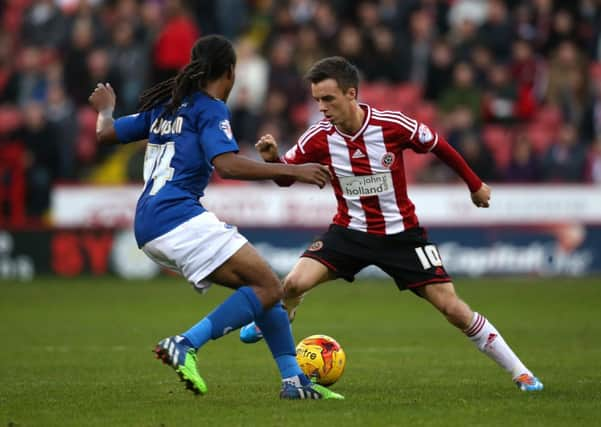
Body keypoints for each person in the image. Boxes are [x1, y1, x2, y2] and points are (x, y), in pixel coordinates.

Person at [240, 56, 543, 392]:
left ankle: (521, 372)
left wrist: (474, 184)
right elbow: (286, 177)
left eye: (329, 99)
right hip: (349, 232)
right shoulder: (318, 137)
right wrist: (272, 161)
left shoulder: (392, 125)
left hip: (402, 236)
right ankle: (288, 311)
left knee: (452, 308)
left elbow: (439, 146)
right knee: (292, 284)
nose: (322, 108)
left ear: (351, 93)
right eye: (317, 101)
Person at [88, 35, 343, 400]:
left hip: (149, 224)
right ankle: (186, 344)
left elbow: (106, 133)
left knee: (262, 287)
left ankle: (294, 382)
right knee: (269, 288)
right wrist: (296, 170)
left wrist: (106, 108)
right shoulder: (209, 108)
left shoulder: (167, 106)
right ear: (230, 72)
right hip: (176, 216)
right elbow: (226, 164)